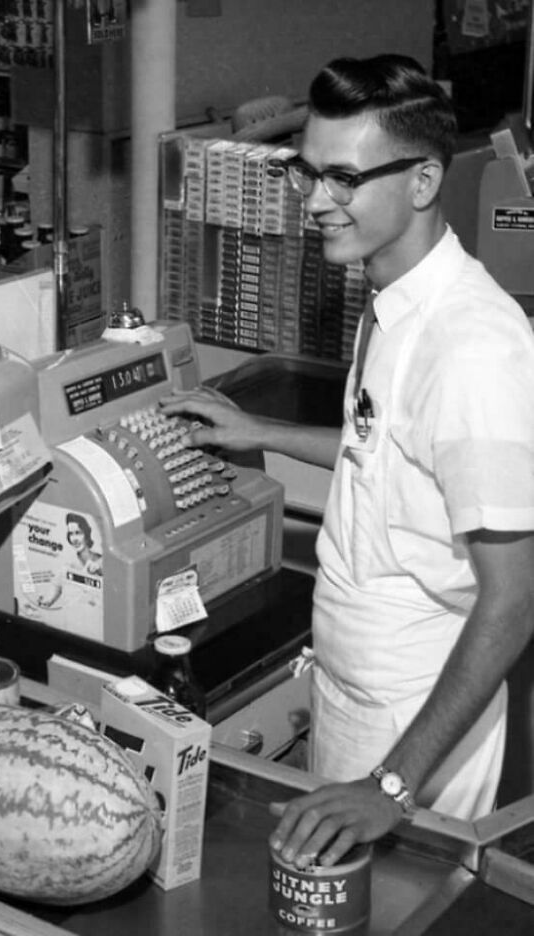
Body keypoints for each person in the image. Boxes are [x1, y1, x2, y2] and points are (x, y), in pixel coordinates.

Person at [160, 54, 534, 868]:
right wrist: (255, 429)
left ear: (425, 180)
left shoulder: (474, 349)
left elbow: (516, 598)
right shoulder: (390, 301)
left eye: (344, 179)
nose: (317, 203)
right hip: (350, 687)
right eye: (309, 174)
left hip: (419, 722)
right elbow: (389, 452)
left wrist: (392, 788)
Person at [65, 512, 103, 576]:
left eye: (78, 533)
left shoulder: (102, 560)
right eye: (71, 534)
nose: (74, 539)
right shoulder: (69, 565)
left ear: (86, 533)